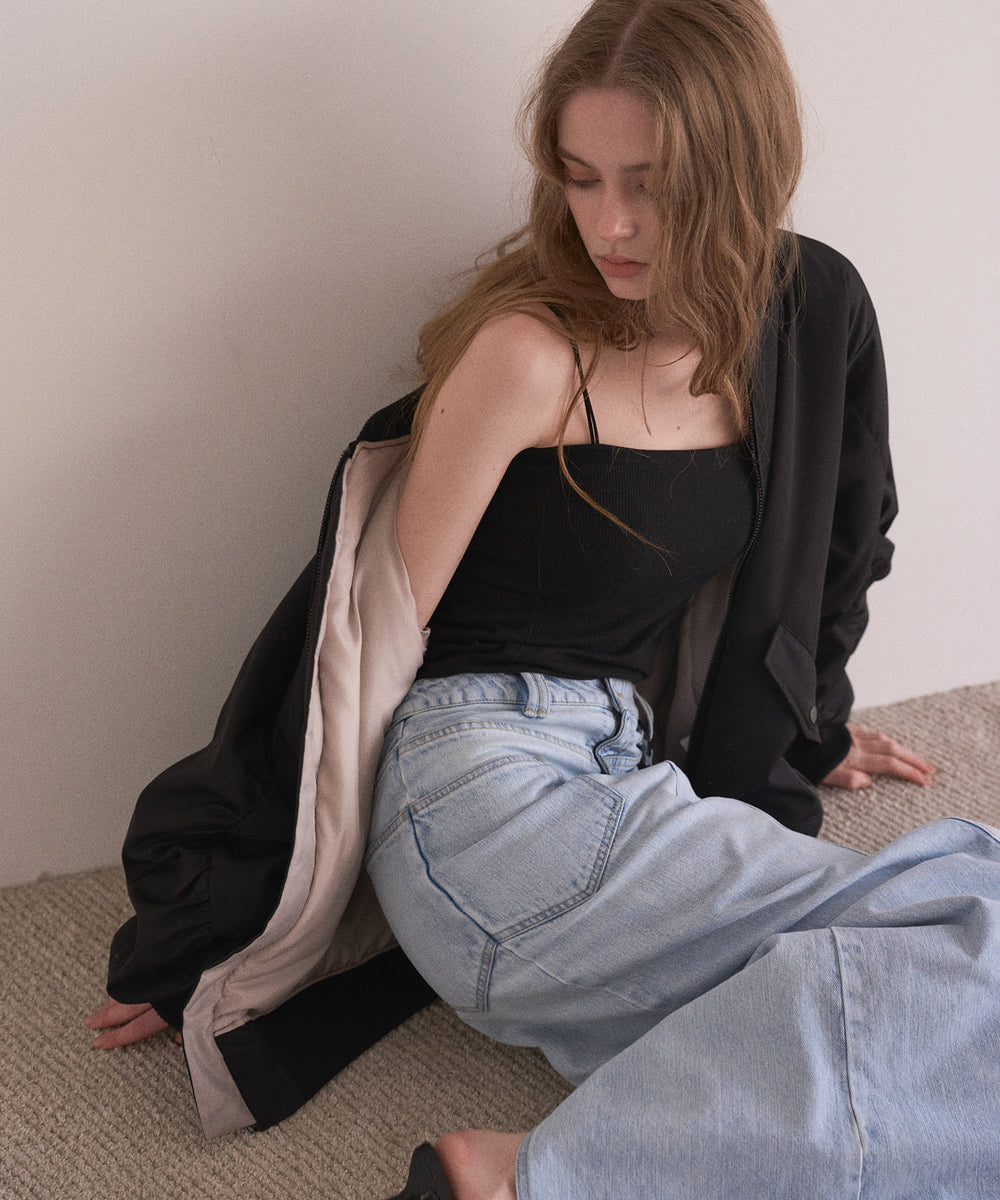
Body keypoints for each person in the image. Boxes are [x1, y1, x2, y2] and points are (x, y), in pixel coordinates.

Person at [85, 1, 1000, 1196]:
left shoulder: (808, 314)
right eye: (579, 178)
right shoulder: (530, 354)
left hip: (625, 774)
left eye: (652, 186)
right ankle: (536, 1178)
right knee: (973, 946)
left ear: (740, 169)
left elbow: (842, 539)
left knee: (947, 1006)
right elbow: (358, 640)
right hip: (480, 800)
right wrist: (214, 926)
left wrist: (806, 724)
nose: (609, 224)